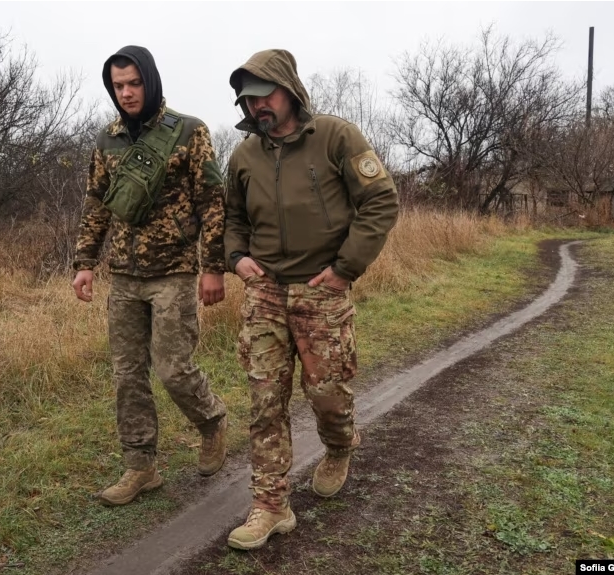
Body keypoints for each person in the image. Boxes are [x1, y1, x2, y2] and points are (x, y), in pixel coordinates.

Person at [223, 49, 399, 550]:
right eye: (246, 99)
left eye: (263, 95)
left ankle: (340, 444)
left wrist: (345, 269)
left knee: (327, 393)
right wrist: (236, 256)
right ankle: (271, 505)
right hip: (265, 292)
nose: (255, 106)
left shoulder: (336, 137)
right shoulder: (243, 156)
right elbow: (232, 217)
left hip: (321, 291)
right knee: (264, 400)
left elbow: (380, 200)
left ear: (288, 89)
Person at [71, 45, 229, 506]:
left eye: (134, 83)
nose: (126, 93)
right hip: (122, 275)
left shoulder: (188, 133)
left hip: (175, 272)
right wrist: (84, 263)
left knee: (173, 368)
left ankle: (212, 421)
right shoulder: (107, 140)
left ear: (150, 81)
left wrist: (213, 267)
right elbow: (96, 204)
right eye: (118, 86)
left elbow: (212, 203)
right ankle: (140, 467)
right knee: (127, 375)